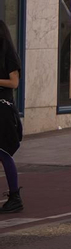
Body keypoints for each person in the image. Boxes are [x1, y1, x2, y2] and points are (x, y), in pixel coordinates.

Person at [0, 19, 21, 214]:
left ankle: (15, 197)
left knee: (4, 152)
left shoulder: (8, 55)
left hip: (3, 109)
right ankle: (14, 196)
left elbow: (14, 82)